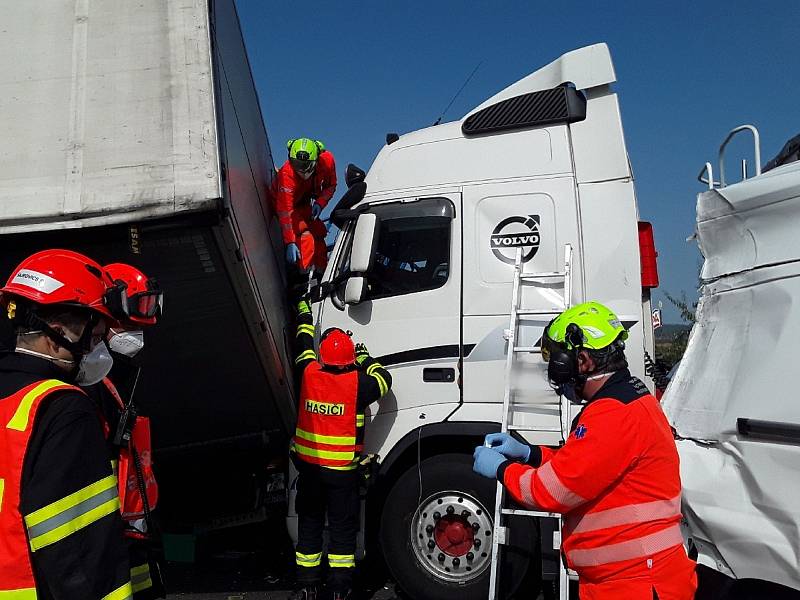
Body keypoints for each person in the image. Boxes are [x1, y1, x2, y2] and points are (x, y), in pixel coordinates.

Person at [473, 301, 697, 600]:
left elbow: (551, 491)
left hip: (635, 584)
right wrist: (531, 455)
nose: (555, 370)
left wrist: (502, 469)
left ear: (582, 361)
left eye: (557, 359)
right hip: (635, 577)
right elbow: (585, 467)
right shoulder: (630, 399)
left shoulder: (612, 414)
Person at [0, 249, 132, 599]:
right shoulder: (62, 409)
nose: (96, 348)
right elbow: (78, 551)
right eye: (93, 336)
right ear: (58, 333)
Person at [290, 299, 391, 600]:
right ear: (349, 360)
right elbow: (384, 380)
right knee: (342, 530)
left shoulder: (308, 373)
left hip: (309, 471)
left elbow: (304, 342)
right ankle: (340, 589)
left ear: (322, 358)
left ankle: (307, 586)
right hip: (342, 474)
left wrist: (305, 314)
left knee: (309, 525)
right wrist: (366, 357)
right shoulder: (357, 383)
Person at [99, 262, 166, 599]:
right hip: (110, 518)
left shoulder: (123, 374)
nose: (135, 335)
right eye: (126, 324)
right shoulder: (90, 386)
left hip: (133, 515)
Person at [274, 138, 337, 274]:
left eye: (305, 165)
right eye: (297, 164)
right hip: (286, 207)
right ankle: (302, 279)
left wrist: (320, 203)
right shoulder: (287, 174)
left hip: (304, 204)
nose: (301, 170)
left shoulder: (327, 161)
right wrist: (290, 241)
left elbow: (330, 186)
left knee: (319, 234)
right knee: (306, 237)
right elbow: (286, 210)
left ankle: (322, 276)